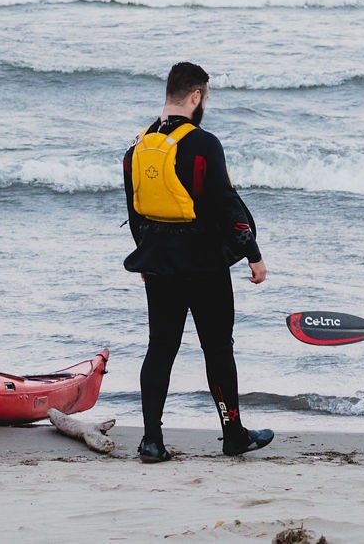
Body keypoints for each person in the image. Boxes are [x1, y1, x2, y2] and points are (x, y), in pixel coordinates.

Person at [123, 61, 274, 463]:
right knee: (218, 351)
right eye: (205, 96)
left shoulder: (138, 144)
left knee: (160, 350)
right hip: (205, 266)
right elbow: (226, 205)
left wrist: (145, 259)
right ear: (196, 96)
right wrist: (253, 254)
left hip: (158, 266)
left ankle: (151, 441)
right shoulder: (204, 143)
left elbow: (135, 211)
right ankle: (233, 435)